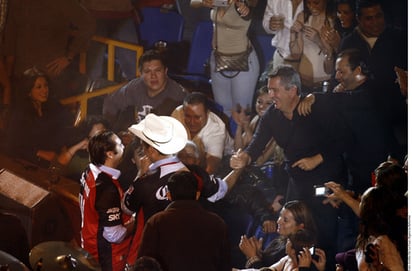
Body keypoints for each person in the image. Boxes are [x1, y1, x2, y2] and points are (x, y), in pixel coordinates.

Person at [230, 65, 352, 270]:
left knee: (323, 236)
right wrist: (245, 157)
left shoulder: (314, 106)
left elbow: (345, 138)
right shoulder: (271, 116)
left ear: (292, 90)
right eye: (269, 90)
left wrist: (317, 158)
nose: (271, 95)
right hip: (296, 184)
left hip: (325, 181)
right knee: (291, 236)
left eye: (275, 90)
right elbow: (256, 144)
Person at [338, 0, 407, 154]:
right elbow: (338, 77)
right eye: (369, 18)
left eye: (379, 16)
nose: (376, 22)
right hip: (364, 123)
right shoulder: (348, 43)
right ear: (359, 19)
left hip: (397, 120)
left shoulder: (400, 38)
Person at [1, 0, 95, 100]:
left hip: (49, 73)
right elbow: (11, 36)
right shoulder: (17, 3)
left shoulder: (61, 3)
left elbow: (88, 24)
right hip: (22, 72)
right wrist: (8, 75)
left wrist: (69, 56)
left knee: (48, 109)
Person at [138, 171, 231, 271]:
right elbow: (225, 265)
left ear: (168, 195)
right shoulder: (217, 223)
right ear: (197, 195)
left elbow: (143, 265)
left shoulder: (156, 222)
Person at [79, 130, 136, 271]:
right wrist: (136, 223)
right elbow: (114, 235)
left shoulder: (89, 171)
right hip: (107, 256)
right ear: (110, 154)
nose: (124, 146)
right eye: (120, 144)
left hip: (90, 245)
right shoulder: (105, 188)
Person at [197, 0, 260, 116]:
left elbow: (250, 8)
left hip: (243, 62)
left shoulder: (244, 3)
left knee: (241, 114)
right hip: (218, 59)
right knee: (222, 111)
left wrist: (243, 7)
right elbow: (193, 2)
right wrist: (204, 2)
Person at [4, 67, 76, 167]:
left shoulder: (54, 105)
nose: (44, 90)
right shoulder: (19, 114)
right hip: (31, 162)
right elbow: (11, 148)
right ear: (28, 91)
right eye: (39, 87)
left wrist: (64, 148)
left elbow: (62, 130)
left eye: (46, 86)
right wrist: (39, 153)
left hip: (58, 158)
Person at [102, 49, 187, 132]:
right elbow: (111, 102)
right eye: (147, 71)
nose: (153, 76)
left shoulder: (178, 95)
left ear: (165, 71)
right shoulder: (135, 86)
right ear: (140, 73)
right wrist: (109, 132)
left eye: (157, 70)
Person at [238, 200, 317, 269]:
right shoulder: (281, 240)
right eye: (280, 216)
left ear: (300, 226)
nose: (278, 221)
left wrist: (253, 257)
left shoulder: (296, 250)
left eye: (285, 220)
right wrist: (258, 253)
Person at [171, 92, 233, 174]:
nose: (192, 122)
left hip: (225, 161)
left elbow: (212, 166)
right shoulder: (178, 113)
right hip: (188, 159)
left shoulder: (217, 129)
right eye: (188, 116)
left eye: (197, 117)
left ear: (207, 113)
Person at [80, 0, 140, 81]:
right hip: (94, 13)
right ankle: (92, 89)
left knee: (134, 67)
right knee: (93, 69)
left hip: (123, 14)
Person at [289, 0, 336, 92]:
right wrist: (292, 33)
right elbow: (296, 53)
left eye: (316, 2)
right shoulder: (303, 17)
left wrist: (318, 41)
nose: (311, 7)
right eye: (308, 3)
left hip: (323, 82)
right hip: (302, 80)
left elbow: (330, 66)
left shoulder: (333, 20)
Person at [355, 186, 405, 271]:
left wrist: (379, 267)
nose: (359, 203)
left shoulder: (384, 243)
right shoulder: (366, 238)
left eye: (362, 201)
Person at [262, 0, 303, 70]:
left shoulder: (315, 3)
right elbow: (266, 23)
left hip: (307, 62)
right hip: (281, 58)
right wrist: (271, 25)